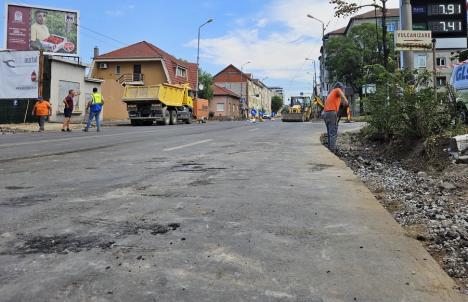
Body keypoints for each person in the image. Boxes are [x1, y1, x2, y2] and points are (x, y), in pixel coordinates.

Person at [322, 82, 349, 153]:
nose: (343, 90)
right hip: (331, 113)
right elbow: (343, 97)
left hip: (325, 113)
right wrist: (346, 101)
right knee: (333, 132)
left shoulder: (331, 93)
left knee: (330, 132)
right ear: (340, 87)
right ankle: (332, 150)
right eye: (342, 88)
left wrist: (343, 103)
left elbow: (338, 103)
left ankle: (330, 148)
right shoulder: (337, 90)